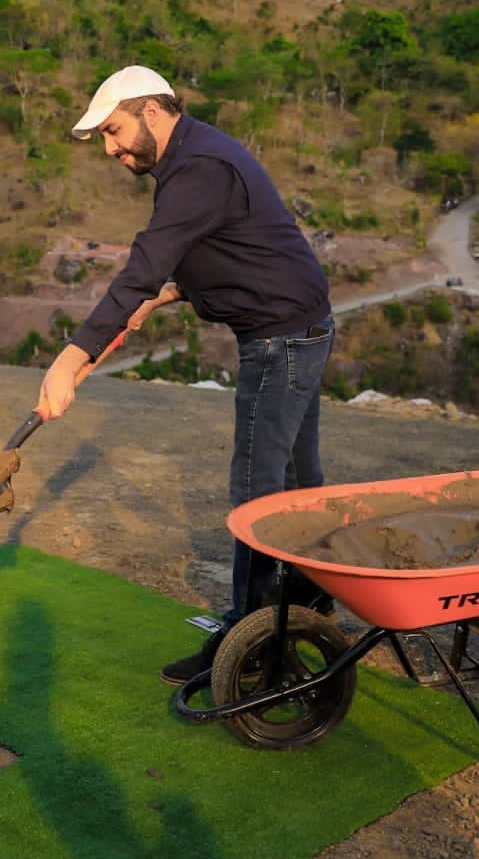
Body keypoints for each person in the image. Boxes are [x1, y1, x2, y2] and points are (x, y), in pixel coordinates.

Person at [36, 65, 335, 685]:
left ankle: (255, 639)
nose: (113, 149)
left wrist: (71, 359)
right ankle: (307, 602)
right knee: (298, 484)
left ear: (150, 110)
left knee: (255, 492)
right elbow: (223, 245)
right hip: (301, 326)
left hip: (279, 340)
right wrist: (170, 293)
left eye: (115, 132)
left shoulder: (197, 168)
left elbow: (142, 264)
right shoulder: (196, 155)